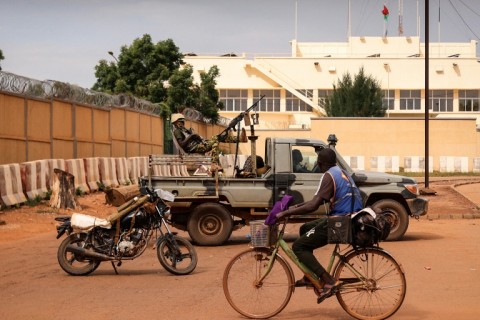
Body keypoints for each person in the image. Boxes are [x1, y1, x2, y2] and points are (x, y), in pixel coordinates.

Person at [274, 148, 363, 299]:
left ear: (320, 163)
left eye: (317, 162)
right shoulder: (340, 172)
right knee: (305, 228)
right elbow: (318, 200)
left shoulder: (328, 176)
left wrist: (286, 213)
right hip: (350, 218)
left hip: (341, 222)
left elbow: (314, 206)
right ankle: (310, 274)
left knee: (298, 246)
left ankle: (329, 280)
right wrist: (295, 207)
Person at [171, 113, 247, 164]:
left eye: (183, 121)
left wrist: (197, 137)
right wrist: (193, 136)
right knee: (216, 139)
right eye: (180, 121)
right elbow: (182, 144)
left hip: (199, 145)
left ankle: (239, 139)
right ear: (175, 122)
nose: (182, 123)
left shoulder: (184, 130)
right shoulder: (177, 131)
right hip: (194, 148)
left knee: (218, 138)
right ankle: (214, 163)